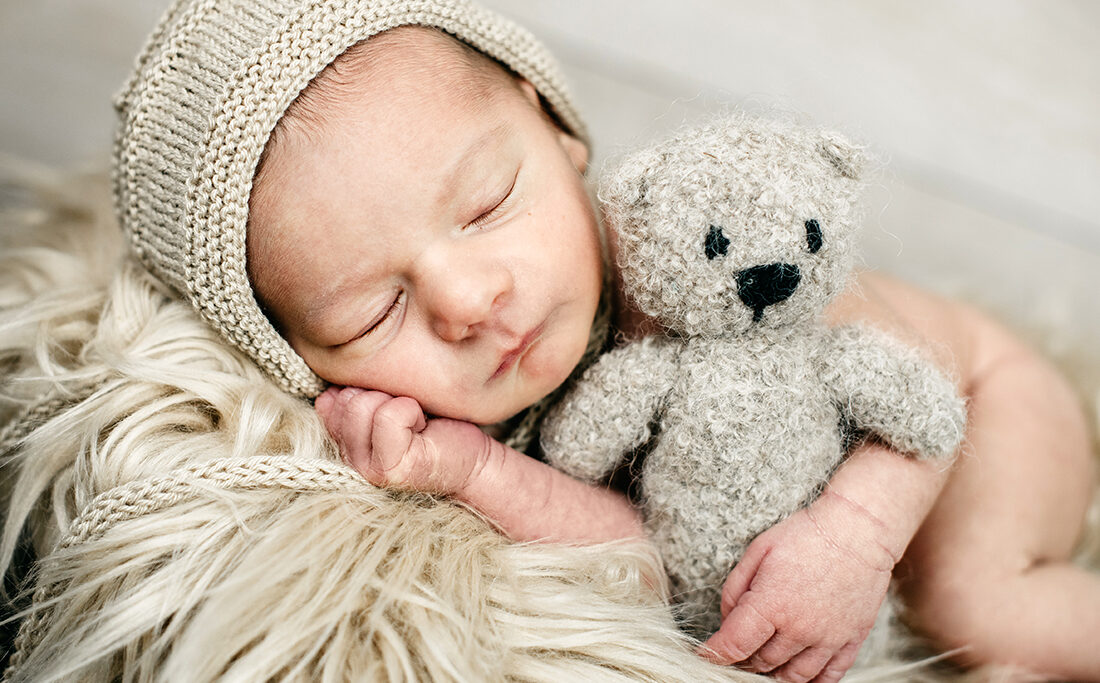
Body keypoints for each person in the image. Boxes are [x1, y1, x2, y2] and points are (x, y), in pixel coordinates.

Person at [17, 0, 1094, 680]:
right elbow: (629, 553)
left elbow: (918, 387)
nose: (469, 300)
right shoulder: (490, 409)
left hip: (971, 416)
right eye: (369, 314)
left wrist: (856, 543)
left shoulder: (691, 249)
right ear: (301, 362)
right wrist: (467, 467)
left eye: (485, 204)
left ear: (558, 128)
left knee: (973, 601)